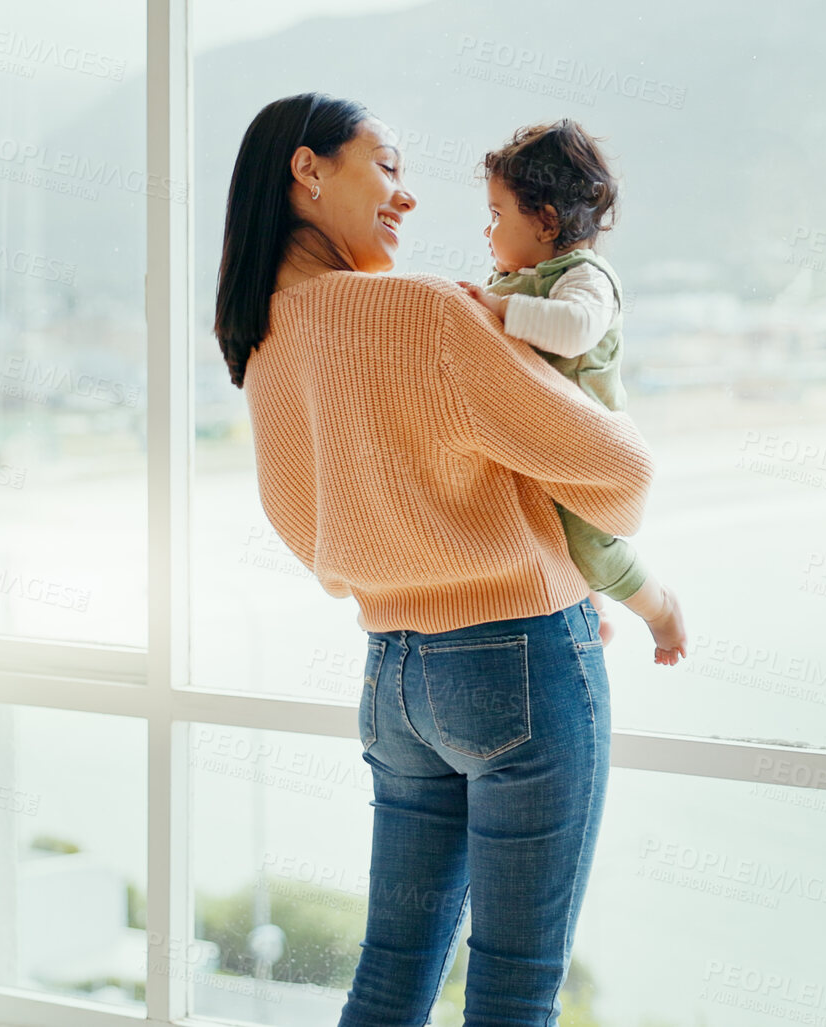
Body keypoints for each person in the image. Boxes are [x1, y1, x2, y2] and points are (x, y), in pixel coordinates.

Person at [215, 92, 655, 1026]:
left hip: (392, 678)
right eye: (388, 165)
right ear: (309, 169)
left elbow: (306, 526)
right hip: (522, 662)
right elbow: (619, 471)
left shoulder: (262, 337)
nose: (407, 199)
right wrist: (571, 566)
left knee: (390, 973)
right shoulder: (426, 311)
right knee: (513, 987)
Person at [458, 119, 687, 665]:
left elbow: (575, 329)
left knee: (590, 548)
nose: (486, 232)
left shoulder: (586, 277)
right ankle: (592, 615)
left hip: (590, 450)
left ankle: (660, 609)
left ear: (546, 220)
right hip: (540, 445)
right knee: (544, 539)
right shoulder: (512, 280)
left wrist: (501, 310)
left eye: (496, 216)